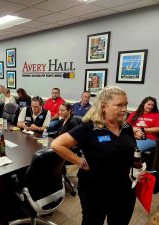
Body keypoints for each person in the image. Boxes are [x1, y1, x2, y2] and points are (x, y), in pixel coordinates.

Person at [51, 86, 136, 225]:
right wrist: (80, 162)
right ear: (103, 107)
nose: (125, 109)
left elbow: (129, 150)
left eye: (126, 104)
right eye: (119, 105)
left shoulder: (126, 127)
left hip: (123, 187)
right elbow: (57, 144)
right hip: (96, 189)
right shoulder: (89, 127)